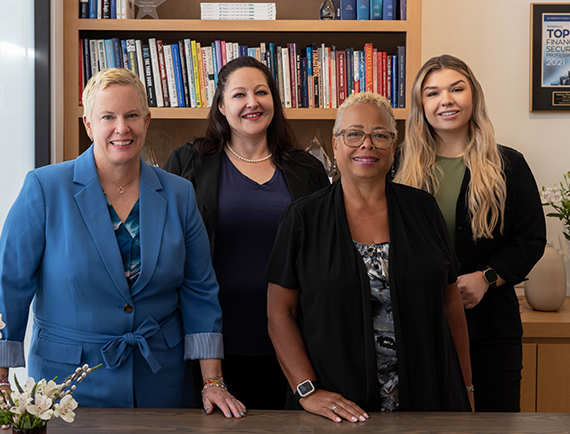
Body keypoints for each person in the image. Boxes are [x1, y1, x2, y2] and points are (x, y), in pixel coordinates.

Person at [0, 68, 245, 419]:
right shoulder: (44, 188)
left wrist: (213, 380)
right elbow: (8, 287)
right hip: (66, 386)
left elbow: (200, 291)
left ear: (147, 121)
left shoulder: (179, 194)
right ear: (89, 125)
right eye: (108, 117)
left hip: (160, 382)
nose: (122, 128)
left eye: (132, 115)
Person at [265, 92, 473, 423]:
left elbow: (450, 303)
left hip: (428, 401)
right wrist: (308, 391)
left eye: (380, 135)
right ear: (335, 144)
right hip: (338, 411)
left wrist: (466, 387)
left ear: (394, 145)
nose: (367, 144)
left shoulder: (424, 210)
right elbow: (279, 313)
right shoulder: (304, 217)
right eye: (354, 133)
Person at [164, 56, 330, 409]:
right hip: (212, 341)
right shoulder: (189, 163)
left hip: (294, 337)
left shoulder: (308, 169)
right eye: (239, 95)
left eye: (261, 92)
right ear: (221, 106)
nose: (252, 102)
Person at [395, 55, 546, 412]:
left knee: (495, 420)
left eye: (456, 88)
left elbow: (531, 238)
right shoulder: (397, 165)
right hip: (419, 326)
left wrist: (486, 278)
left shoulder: (509, 164)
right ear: (421, 105)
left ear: (473, 96)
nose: (445, 99)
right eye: (432, 93)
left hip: (492, 325)